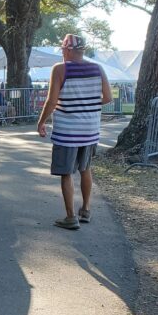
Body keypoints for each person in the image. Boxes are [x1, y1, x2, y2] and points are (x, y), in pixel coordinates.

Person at [37, 34, 112, 230]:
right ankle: (86, 210)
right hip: (90, 129)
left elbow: (52, 100)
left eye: (62, 49)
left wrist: (41, 122)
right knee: (85, 168)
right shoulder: (98, 68)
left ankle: (70, 217)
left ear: (69, 50)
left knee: (66, 173)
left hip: (67, 131)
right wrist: (87, 105)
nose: (62, 53)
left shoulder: (60, 69)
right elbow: (108, 97)